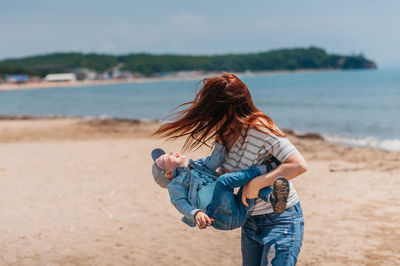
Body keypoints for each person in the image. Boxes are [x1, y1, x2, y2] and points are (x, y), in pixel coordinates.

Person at [153, 72, 307, 265]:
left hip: (280, 221)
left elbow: (298, 165)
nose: (208, 116)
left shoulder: (261, 128)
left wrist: (257, 184)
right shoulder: (224, 136)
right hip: (250, 221)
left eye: (211, 110)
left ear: (227, 109)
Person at [151, 143, 290, 230]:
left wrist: (220, 142)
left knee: (248, 184)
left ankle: (272, 197)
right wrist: (196, 213)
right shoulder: (176, 183)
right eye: (165, 158)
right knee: (224, 181)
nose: (170, 153)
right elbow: (180, 203)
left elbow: (214, 160)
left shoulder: (197, 165)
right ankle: (267, 167)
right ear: (169, 174)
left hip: (239, 211)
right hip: (218, 215)